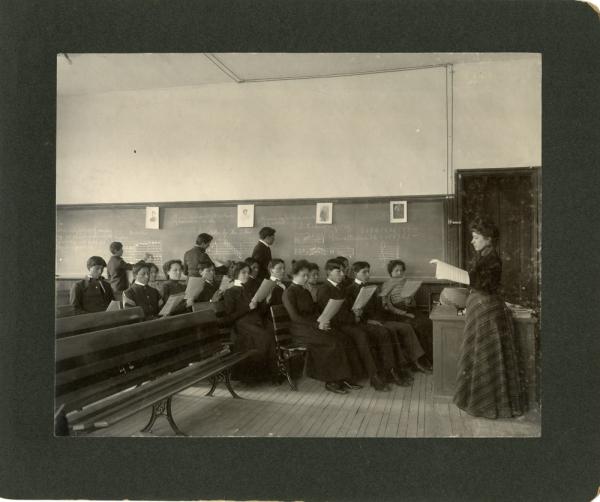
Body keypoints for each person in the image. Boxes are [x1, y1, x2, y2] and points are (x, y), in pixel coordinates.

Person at [453, 218, 523, 419]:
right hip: (480, 308)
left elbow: (483, 285)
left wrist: (464, 277)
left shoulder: (492, 259)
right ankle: (479, 402)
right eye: (473, 238)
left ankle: (485, 405)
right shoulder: (484, 256)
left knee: (484, 353)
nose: (472, 241)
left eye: (476, 238)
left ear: (488, 239)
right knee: (480, 352)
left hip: (486, 310)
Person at [282, 260, 362, 394]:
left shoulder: (305, 291)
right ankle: (332, 381)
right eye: (303, 275)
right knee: (332, 342)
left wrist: (324, 318)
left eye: (308, 275)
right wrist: (317, 324)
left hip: (312, 326)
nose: (307, 278)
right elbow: (295, 317)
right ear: (294, 275)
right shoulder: (289, 293)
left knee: (343, 337)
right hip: (299, 330)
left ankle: (344, 378)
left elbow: (314, 311)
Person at [316, 259, 389, 391]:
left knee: (368, 333)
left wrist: (357, 311)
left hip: (347, 322)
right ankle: (373, 376)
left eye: (343, 271)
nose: (342, 274)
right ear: (328, 272)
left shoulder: (340, 287)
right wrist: (354, 317)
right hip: (335, 325)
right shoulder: (324, 289)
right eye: (338, 272)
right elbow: (333, 315)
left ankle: (376, 373)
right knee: (361, 335)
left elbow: (347, 308)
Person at [346, 261, 415, 387]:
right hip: (362, 323)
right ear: (355, 273)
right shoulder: (349, 290)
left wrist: (383, 307)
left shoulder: (371, 287)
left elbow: (377, 309)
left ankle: (394, 370)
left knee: (392, 331)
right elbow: (351, 313)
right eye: (364, 272)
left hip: (376, 319)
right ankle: (389, 372)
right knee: (385, 332)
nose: (368, 274)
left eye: (368, 271)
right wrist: (368, 320)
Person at [223, 261, 277, 384]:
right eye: (244, 272)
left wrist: (266, 301)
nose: (247, 275)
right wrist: (248, 308)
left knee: (270, 333)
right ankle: (255, 376)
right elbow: (230, 317)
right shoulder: (230, 292)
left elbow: (259, 311)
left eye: (248, 272)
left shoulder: (250, 289)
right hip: (240, 327)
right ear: (236, 273)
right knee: (265, 337)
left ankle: (265, 375)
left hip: (254, 323)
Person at [381, 259, 434, 363]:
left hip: (410, 309)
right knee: (418, 326)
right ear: (391, 272)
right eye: (396, 270)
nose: (400, 273)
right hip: (396, 313)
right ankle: (422, 359)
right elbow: (387, 305)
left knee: (428, 322)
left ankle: (431, 357)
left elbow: (413, 303)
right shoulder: (386, 285)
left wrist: (409, 301)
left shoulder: (406, 283)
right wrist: (405, 314)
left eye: (401, 270)